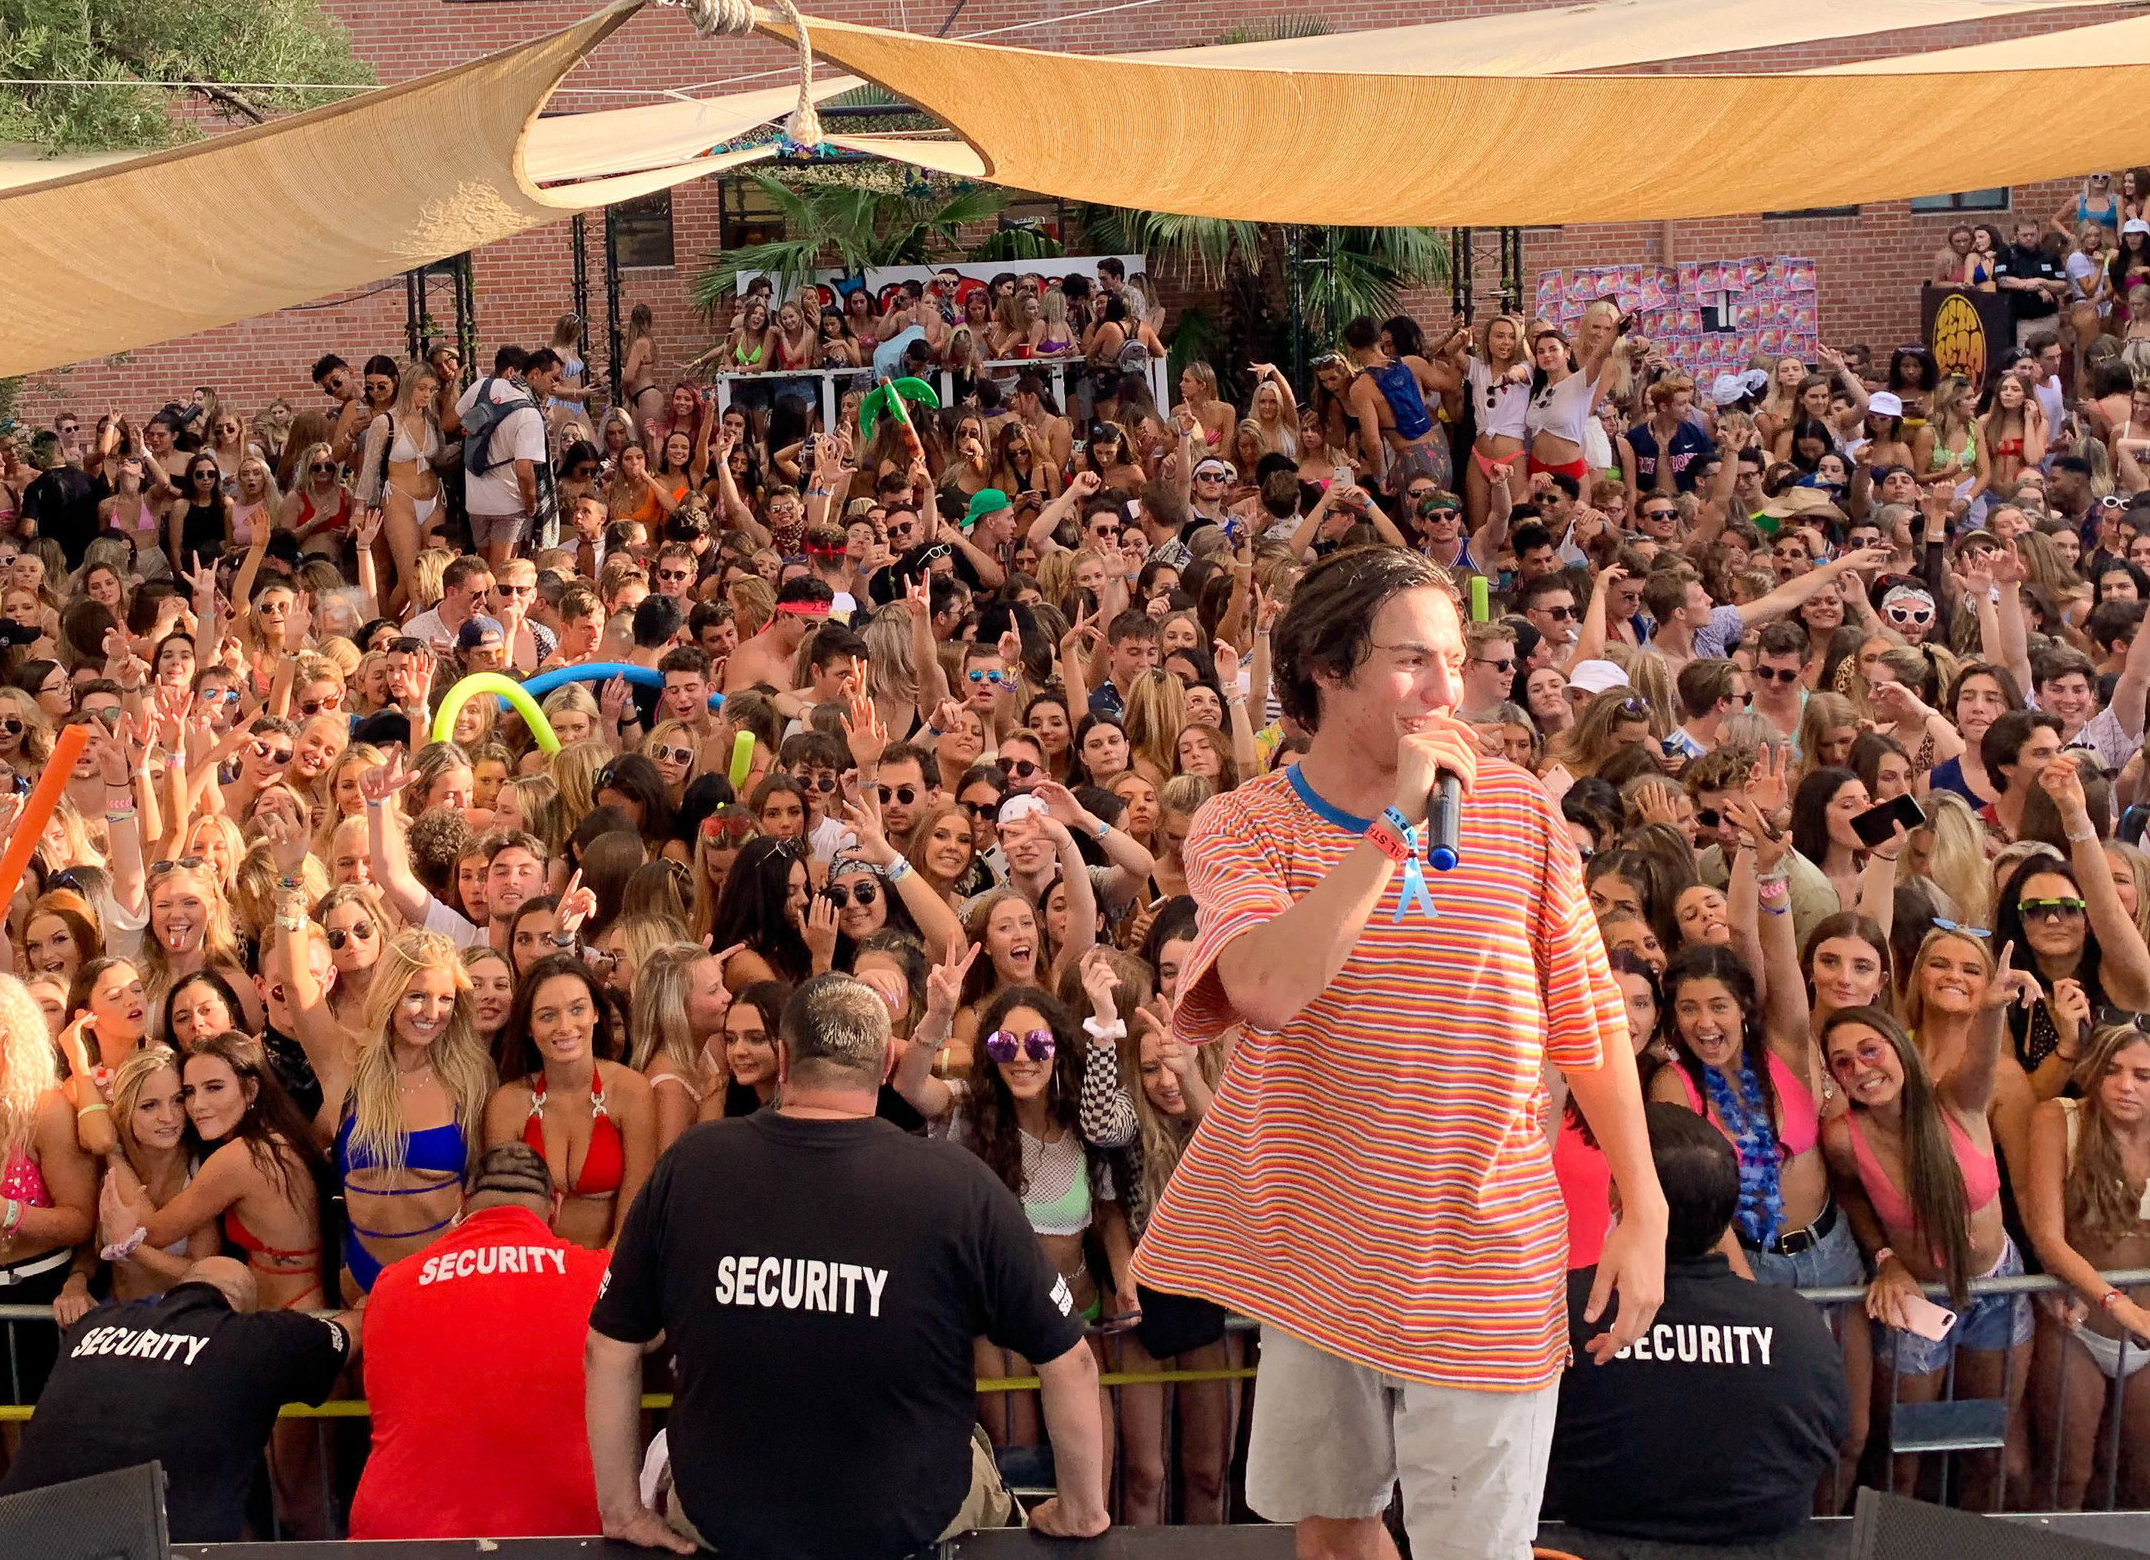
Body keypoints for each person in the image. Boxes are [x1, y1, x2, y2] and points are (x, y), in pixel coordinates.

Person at [1129, 545, 1665, 1560]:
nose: (1447, 692)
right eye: (1414, 661)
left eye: (1455, 661)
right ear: (1329, 668)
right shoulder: (1244, 825)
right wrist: (1388, 833)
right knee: (1333, 1534)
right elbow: (1269, 991)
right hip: (1319, 1247)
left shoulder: (1516, 807)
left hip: (1487, 1254)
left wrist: (1644, 1202)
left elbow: (1586, 1012)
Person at [584, 972, 1109, 1556]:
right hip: (912, 1519)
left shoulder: (691, 1165)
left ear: (782, 1060)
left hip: (722, 1518)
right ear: (887, 1063)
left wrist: (622, 1512)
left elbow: (607, 1345)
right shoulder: (957, 1183)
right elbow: (1072, 1361)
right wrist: (1082, 1511)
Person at [1542, 1106, 1846, 1544]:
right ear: (1727, 1217)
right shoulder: (1800, 1330)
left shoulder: (1564, 1310)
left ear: (1618, 1198)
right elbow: (1825, 1445)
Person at [0, 1254, 348, 1542]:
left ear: (170, 1295)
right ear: (242, 1311)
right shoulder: (252, 1339)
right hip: (145, 1542)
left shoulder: (97, 1322)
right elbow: (352, 1334)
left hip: (8, 1532)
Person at [347, 1143, 605, 1539]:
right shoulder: (598, 1278)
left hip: (402, 1534)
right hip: (562, 1532)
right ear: (555, 1206)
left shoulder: (393, 1283)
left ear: (462, 1203)